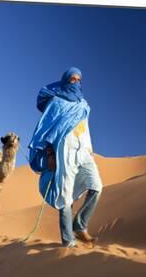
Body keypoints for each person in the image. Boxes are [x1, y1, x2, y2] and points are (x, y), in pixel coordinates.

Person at [27, 66, 103, 247]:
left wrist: (90, 148)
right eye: (72, 79)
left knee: (96, 187)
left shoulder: (84, 105)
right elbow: (47, 128)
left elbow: (86, 128)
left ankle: (79, 225)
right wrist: (50, 153)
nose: (76, 83)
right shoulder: (56, 102)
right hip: (64, 152)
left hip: (83, 151)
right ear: (65, 80)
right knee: (65, 196)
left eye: (78, 80)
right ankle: (68, 241)